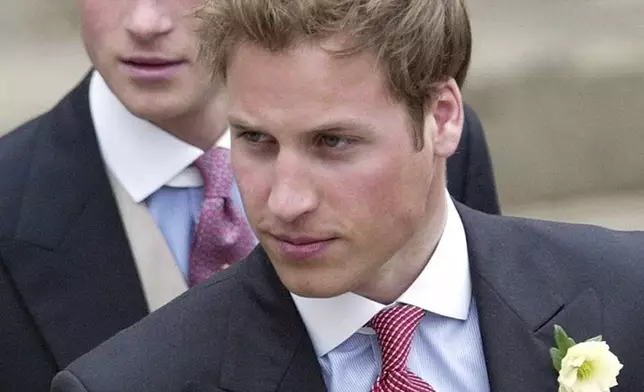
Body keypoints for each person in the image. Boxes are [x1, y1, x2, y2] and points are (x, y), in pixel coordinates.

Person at [50, 0, 644, 391]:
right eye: (255, 139)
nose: (284, 202)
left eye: (333, 142)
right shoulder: (130, 384)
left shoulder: (628, 294)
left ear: (441, 118)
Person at [1, 1, 499, 392]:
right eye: (256, 140)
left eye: (333, 143)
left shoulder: (429, 141)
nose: (145, 21)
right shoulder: (13, 197)